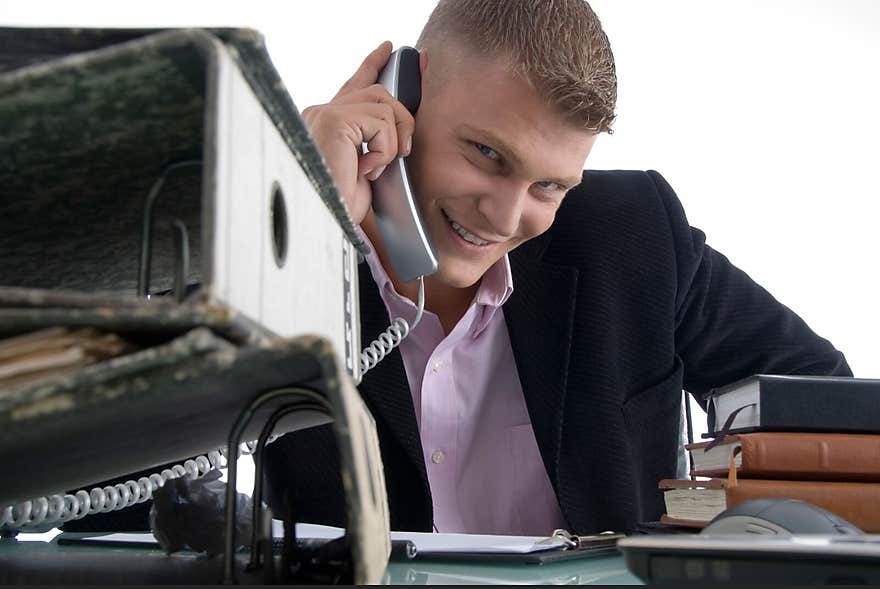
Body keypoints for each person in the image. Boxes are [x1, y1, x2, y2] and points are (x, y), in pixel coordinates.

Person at [263, 0, 850, 535]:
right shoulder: (274, 246)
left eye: (548, 185)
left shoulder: (635, 234)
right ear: (401, 97)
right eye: (487, 153)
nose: (504, 216)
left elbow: (823, 399)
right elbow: (176, 468)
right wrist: (306, 223)